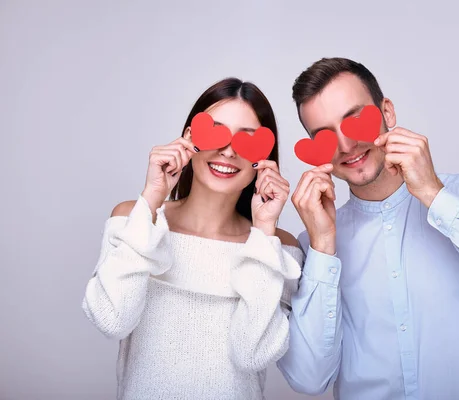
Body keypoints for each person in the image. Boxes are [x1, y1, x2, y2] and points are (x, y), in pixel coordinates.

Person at [277, 58, 459, 400]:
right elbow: (308, 380)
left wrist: (434, 194)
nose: (346, 145)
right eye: (324, 136)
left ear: (388, 112)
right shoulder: (316, 245)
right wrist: (324, 247)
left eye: (355, 120)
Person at [82, 78, 303, 400]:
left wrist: (264, 231)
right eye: (215, 132)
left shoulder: (276, 245)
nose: (228, 151)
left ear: (264, 157)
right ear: (188, 138)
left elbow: (253, 353)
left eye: (247, 141)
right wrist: (152, 200)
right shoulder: (135, 219)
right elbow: (112, 319)